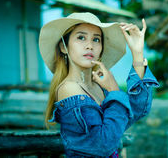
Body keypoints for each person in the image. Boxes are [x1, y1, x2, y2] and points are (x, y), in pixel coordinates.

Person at [39, 12, 159, 158]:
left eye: (96, 39)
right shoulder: (69, 89)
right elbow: (103, 145)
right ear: (64, 47)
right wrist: (114, 90)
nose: (90, 45)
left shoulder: (100, 87)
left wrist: (137, 54)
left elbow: (136, 110)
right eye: (81, 37)